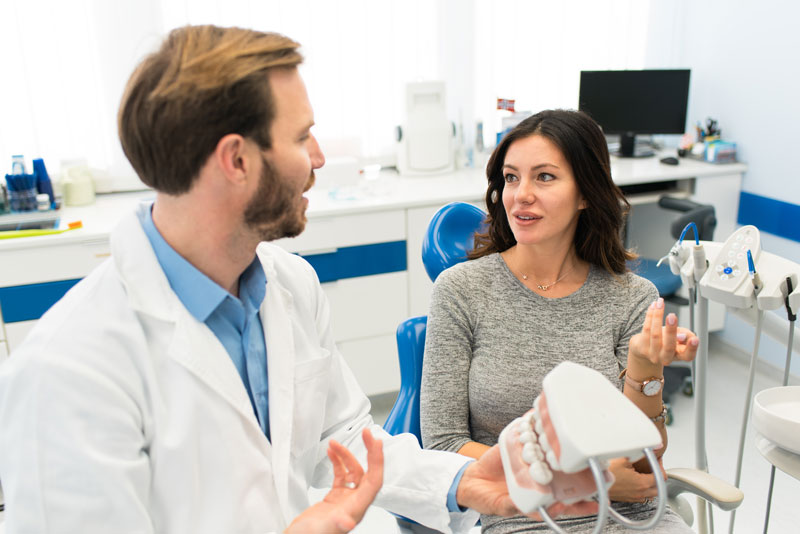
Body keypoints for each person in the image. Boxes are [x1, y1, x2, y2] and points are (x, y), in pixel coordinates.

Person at [0, 27, 598, 534]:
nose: (317, 156)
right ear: (236, 160)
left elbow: (344, 436)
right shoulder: (69, 372)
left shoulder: (288, 285)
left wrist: (466, 478)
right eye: (300, 135)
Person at [420, 109, 700, 533]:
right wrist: (586, 480)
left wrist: (646, 368)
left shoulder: (631, 297)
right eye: (511, 178)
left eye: (544, 177)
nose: (521, 195)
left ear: (586, 193)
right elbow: (443, 444)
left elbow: (644, 461)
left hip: (633, 516)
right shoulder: (461, 290)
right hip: (522, 509)